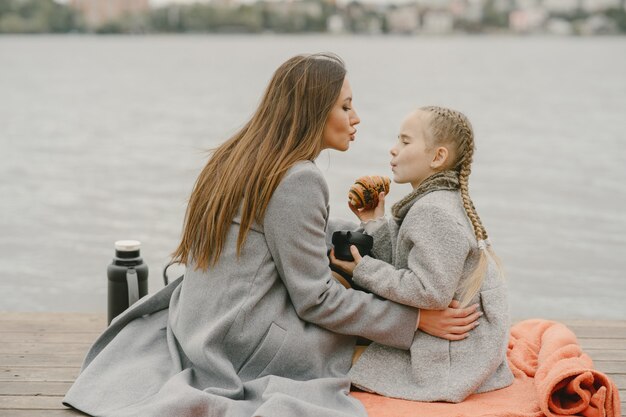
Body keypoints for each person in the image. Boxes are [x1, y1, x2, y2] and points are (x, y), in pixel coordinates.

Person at [63, 55, 480, 417]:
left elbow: (283, 232)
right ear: (313, 110)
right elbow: (314, 300)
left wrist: (362, 231)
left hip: (201, 321)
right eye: (346, 106)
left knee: (351, 286)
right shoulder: (299, 178)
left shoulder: (241, 154)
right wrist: (417, 320)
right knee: (369, 331)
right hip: (242, 342)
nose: (356, 119)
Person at [331, 106, 514, 403]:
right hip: (470, 347)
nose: (393, 150)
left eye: (405, 142)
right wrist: (374, 223)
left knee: (330, 361)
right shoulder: (436, 201)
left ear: (437, 157)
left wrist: (362, 270)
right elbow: (407, 258)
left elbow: (429, 293)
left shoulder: (432, 211)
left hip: (453, 357)